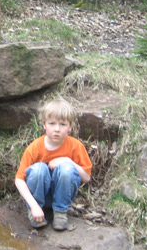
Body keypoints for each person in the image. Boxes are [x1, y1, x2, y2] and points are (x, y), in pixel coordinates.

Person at [15, 99, 92, 231]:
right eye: (52, 123)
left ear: (70, 127)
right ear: (44, 125)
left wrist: (67, 160)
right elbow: (19, 179)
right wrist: (33, 205)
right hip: (39, 197)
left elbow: (86, 178)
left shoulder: (76, 146)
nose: (57, 129)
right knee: (39, 169)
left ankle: (60, 213)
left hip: (61, 195)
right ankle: (36, 213)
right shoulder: (35, 147)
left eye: (62, 124)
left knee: (67, 169)